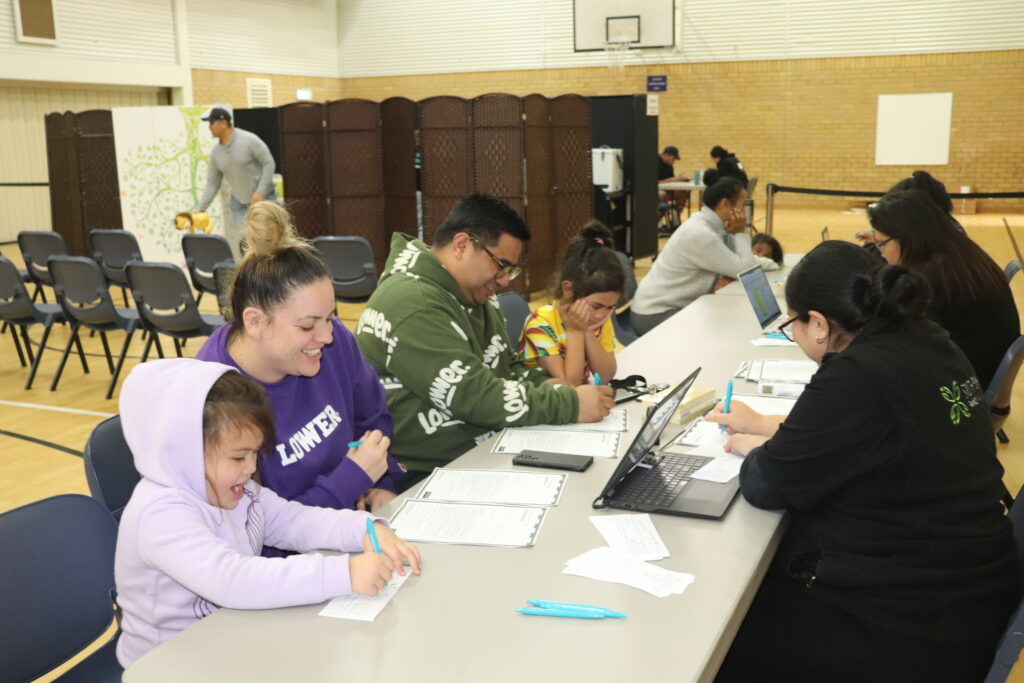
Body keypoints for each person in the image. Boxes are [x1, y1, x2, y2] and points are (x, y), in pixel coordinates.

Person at [708, 241, 1016, 683]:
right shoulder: (926, 337)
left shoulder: (857, 374)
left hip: (913, 630)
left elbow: (764, 484)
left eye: (792, 323)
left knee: (723, 637)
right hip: (961, 591)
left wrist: (754, 449)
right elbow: (871, 437)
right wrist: (771, 430)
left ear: (818, 323)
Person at [114, 358, 421, 668]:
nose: (251, 468)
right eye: (238, 457)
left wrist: (364, 528)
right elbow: (232, 580)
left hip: (232, 641)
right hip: (169, 665)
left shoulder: (239, 488)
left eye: (254, 454)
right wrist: (345, 573)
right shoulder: (160, 514)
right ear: (184, 451)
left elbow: (296, 521)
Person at [355, 193, 615, 488]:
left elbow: (506, 368)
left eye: (510, 270)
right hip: (423, 472)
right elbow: (473, 395)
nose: (505, 281)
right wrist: (568, 403)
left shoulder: (475, 294)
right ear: (462, 245)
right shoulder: (411, 302)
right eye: (500, 265)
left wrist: (543, 383)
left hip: (484, 448)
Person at [195, 202, 405, 518]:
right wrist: (351, 480)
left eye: (330, 318)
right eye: (307, 325)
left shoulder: (332, 344)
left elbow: (372, 419)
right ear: (255, 322)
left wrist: (382, 481)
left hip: (351, 524)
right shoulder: (215, 400)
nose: (327, 336)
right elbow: (258, 533)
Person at [867, 189, 1018, 390]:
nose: (882, 254)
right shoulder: (957, 252)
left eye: (881, 245)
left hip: (962, 387)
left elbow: (903, 343)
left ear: (908, 238)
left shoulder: (935, 280)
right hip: (980, 368)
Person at [630, 171, 775, 335]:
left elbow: (739, 264)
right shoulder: (701, 233)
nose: (746, 212)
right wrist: (741, 232)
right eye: (743, 205)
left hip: (671, 307)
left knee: (728, 321)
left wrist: (735, 243)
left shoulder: (712, 225)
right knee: (723, 330)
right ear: (726, 204)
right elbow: (747, 272)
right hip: (656, 313)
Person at [519, 222, 624, 386]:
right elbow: (569, 386)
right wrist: (576, 331)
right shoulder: (539, 324)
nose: (602, 314)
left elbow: (605, 376)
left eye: (610, 307)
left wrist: (587, 331)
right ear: (568, 290)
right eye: (596, 306)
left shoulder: (597, 319)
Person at [191, 107, 277, 259]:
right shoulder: (216, 153)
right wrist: (200, 209)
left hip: (263, 200)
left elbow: (268, 163)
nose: (209, 127)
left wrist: (261, 192)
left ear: (223, 123)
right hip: (239, 203)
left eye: (212, 123)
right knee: (246, 244)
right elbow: (212, 184)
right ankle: (251, 277)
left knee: (266, 243)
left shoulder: (249, 140)